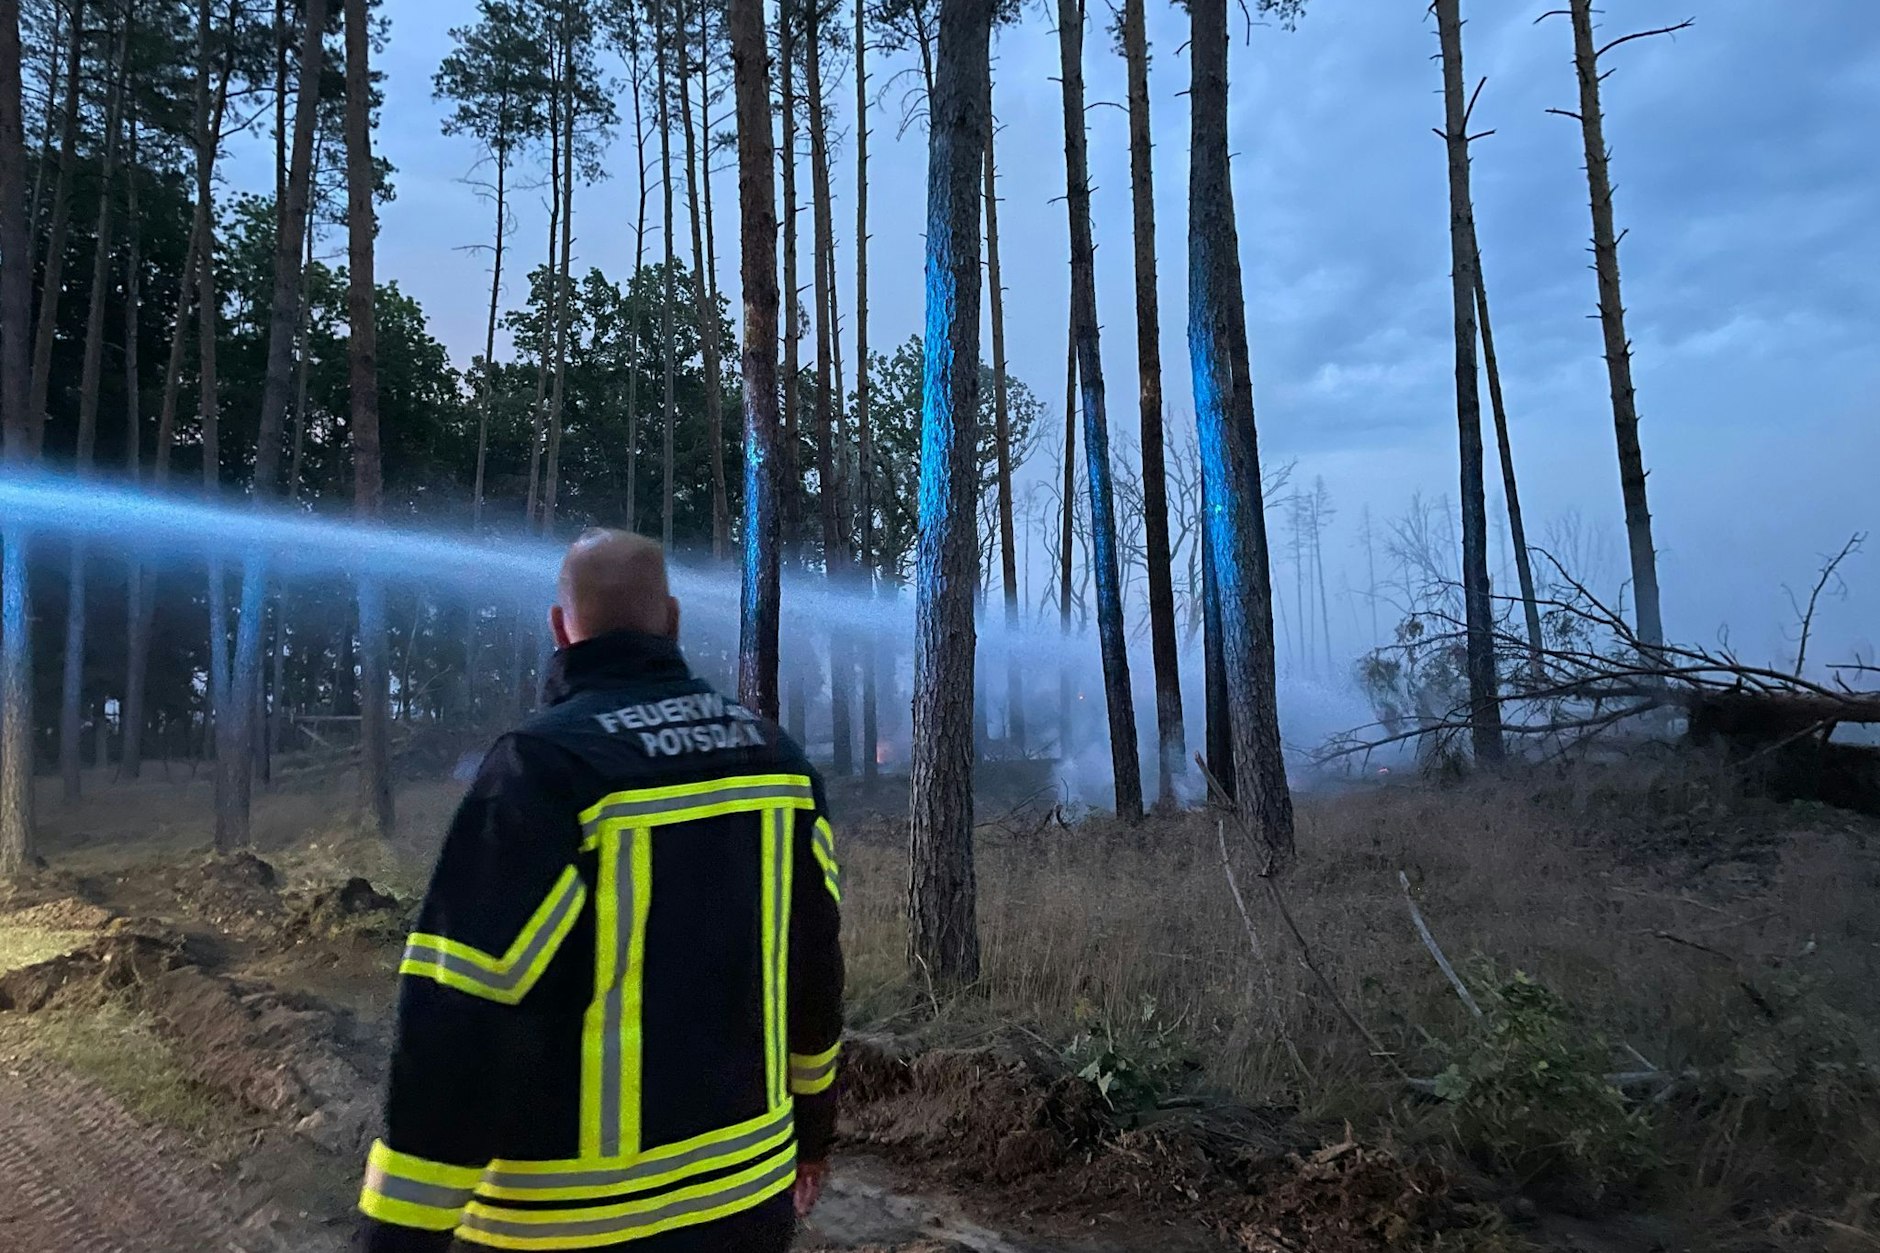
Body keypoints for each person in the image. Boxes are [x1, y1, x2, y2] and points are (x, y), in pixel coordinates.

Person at [357, 529, 844, 1252]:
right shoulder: (779, 764)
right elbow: (815, 976)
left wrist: (400, 1233)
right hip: (746, 1202)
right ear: (672, 620)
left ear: (560, 628)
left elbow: (463, 1007)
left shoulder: (544, 770)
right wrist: (814, 1132)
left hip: (569, 1224)